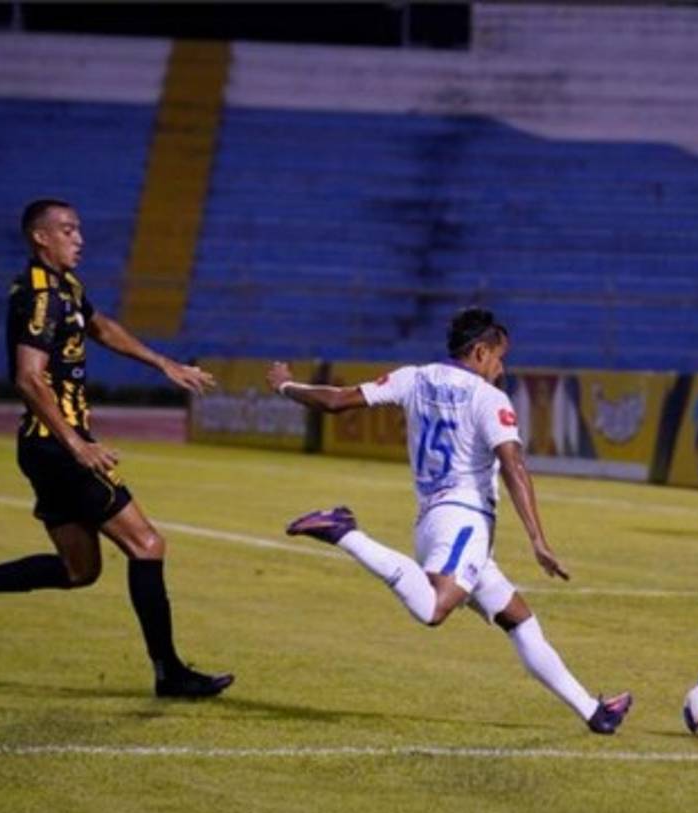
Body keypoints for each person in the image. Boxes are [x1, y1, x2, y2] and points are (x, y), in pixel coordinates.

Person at [265, 307, 632, 734]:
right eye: (499, 357)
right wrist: (537, 539)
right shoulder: (488, 399)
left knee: (518, 619)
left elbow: (335, 401)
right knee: (433, 610)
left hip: (432, 524)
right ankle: (344, 531)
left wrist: (287, 385)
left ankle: (593, 712)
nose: (501, 368)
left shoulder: (413, 378)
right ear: (479, 352)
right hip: (464, 523)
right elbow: (513, 465)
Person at [0, 198, 234, 698]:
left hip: (42, 448)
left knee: (80, 571)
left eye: (78, 230)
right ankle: (169, 673)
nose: (79, 239)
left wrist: (161, 363)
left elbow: (101, 326)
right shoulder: (41, 295)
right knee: (147, 545)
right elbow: (28, 378)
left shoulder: (67, 288)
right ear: (41, 237)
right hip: (59, 446)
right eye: (68, 230)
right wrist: (77, 444)